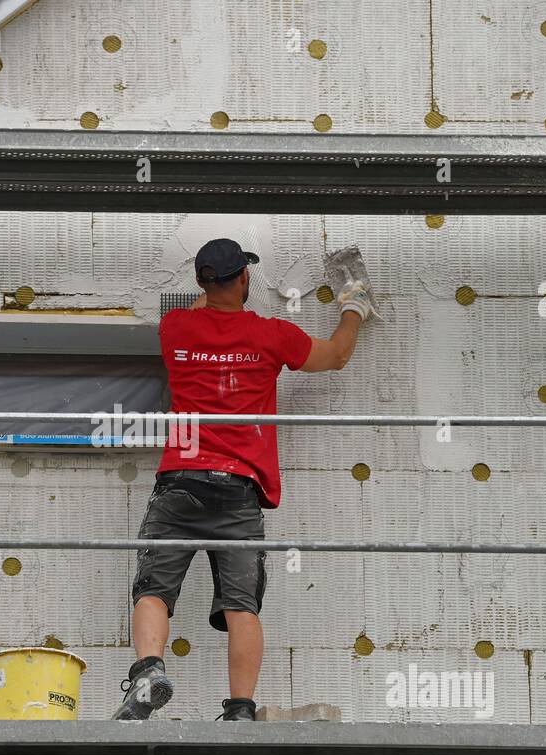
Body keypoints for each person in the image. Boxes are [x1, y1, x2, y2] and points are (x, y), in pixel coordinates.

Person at [112, 237, 374, 720]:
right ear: (245, 278)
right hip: (237, 486)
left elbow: (196, 310)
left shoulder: (176, 329)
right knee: (240, 605)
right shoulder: (271, 335)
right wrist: (354, 305)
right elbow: (336, 355)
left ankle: (148, 672)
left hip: (181, 480)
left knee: (153, 588)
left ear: (201, 282)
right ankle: (239, 709)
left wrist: (206, 297)